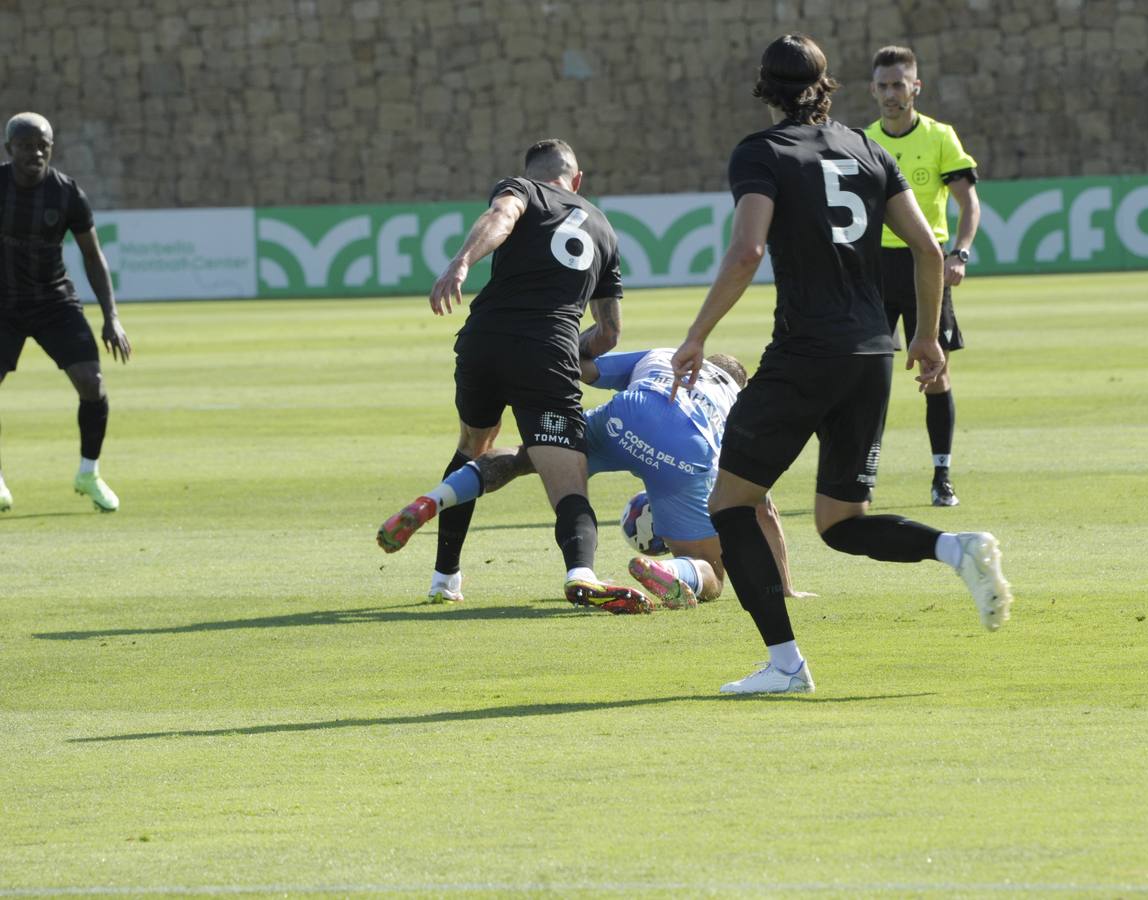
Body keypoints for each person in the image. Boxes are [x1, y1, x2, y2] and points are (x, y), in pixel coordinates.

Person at [669, 34, 1012, 695]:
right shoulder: (867, 147)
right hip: (869, 355)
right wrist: (928, 339)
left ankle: (785, 666)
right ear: (827, 86)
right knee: (840, 523)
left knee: (730, 505)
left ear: (765, 88)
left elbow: (745, 252)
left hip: (806, 353)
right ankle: (955, 548)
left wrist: (696, 334)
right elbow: (928, 250)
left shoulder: (760, 152)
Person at [377, 138, 650, 613]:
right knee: (567, 476)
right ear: (577, 180)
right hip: (547, 351)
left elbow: (501, 217)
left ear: (532, 173)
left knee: (472, 448)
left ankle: (445, 578)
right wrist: (571, 348)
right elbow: (609, 333)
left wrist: (462, 261)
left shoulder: (522, 189)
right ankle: (580, 572)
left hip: (483, 339)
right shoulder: (604, 229)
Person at [377, 347, 803, 612]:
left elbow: (587, 368)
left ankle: (434, 499)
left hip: (631, 413)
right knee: (712, 568)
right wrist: (784, 585)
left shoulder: (665, 353)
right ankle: (672, 570)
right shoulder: (735, 402)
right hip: (685, 449)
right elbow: (761, 504)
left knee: (530, 456)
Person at [864, 45, 981, 507]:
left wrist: (960, 254)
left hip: (924, 264)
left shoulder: (939, 137)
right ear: (873, 90)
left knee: (936, 373)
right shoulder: (863, 141)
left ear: (916, 87)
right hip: (873, 269)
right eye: (884, 85)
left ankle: (941, 477)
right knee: (866, 376)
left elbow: (968, 203)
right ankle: (860, 474)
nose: (892, 94)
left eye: (900, 84)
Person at [0, 112, 130, 513]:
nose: (35, 152)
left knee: (92, 383)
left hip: (54, 301)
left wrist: (111, 316)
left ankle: (88, 473)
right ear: (10, 149)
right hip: (3, 304)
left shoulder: (68, 194)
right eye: (26, 145)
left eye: (43, 144)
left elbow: (93, 256)